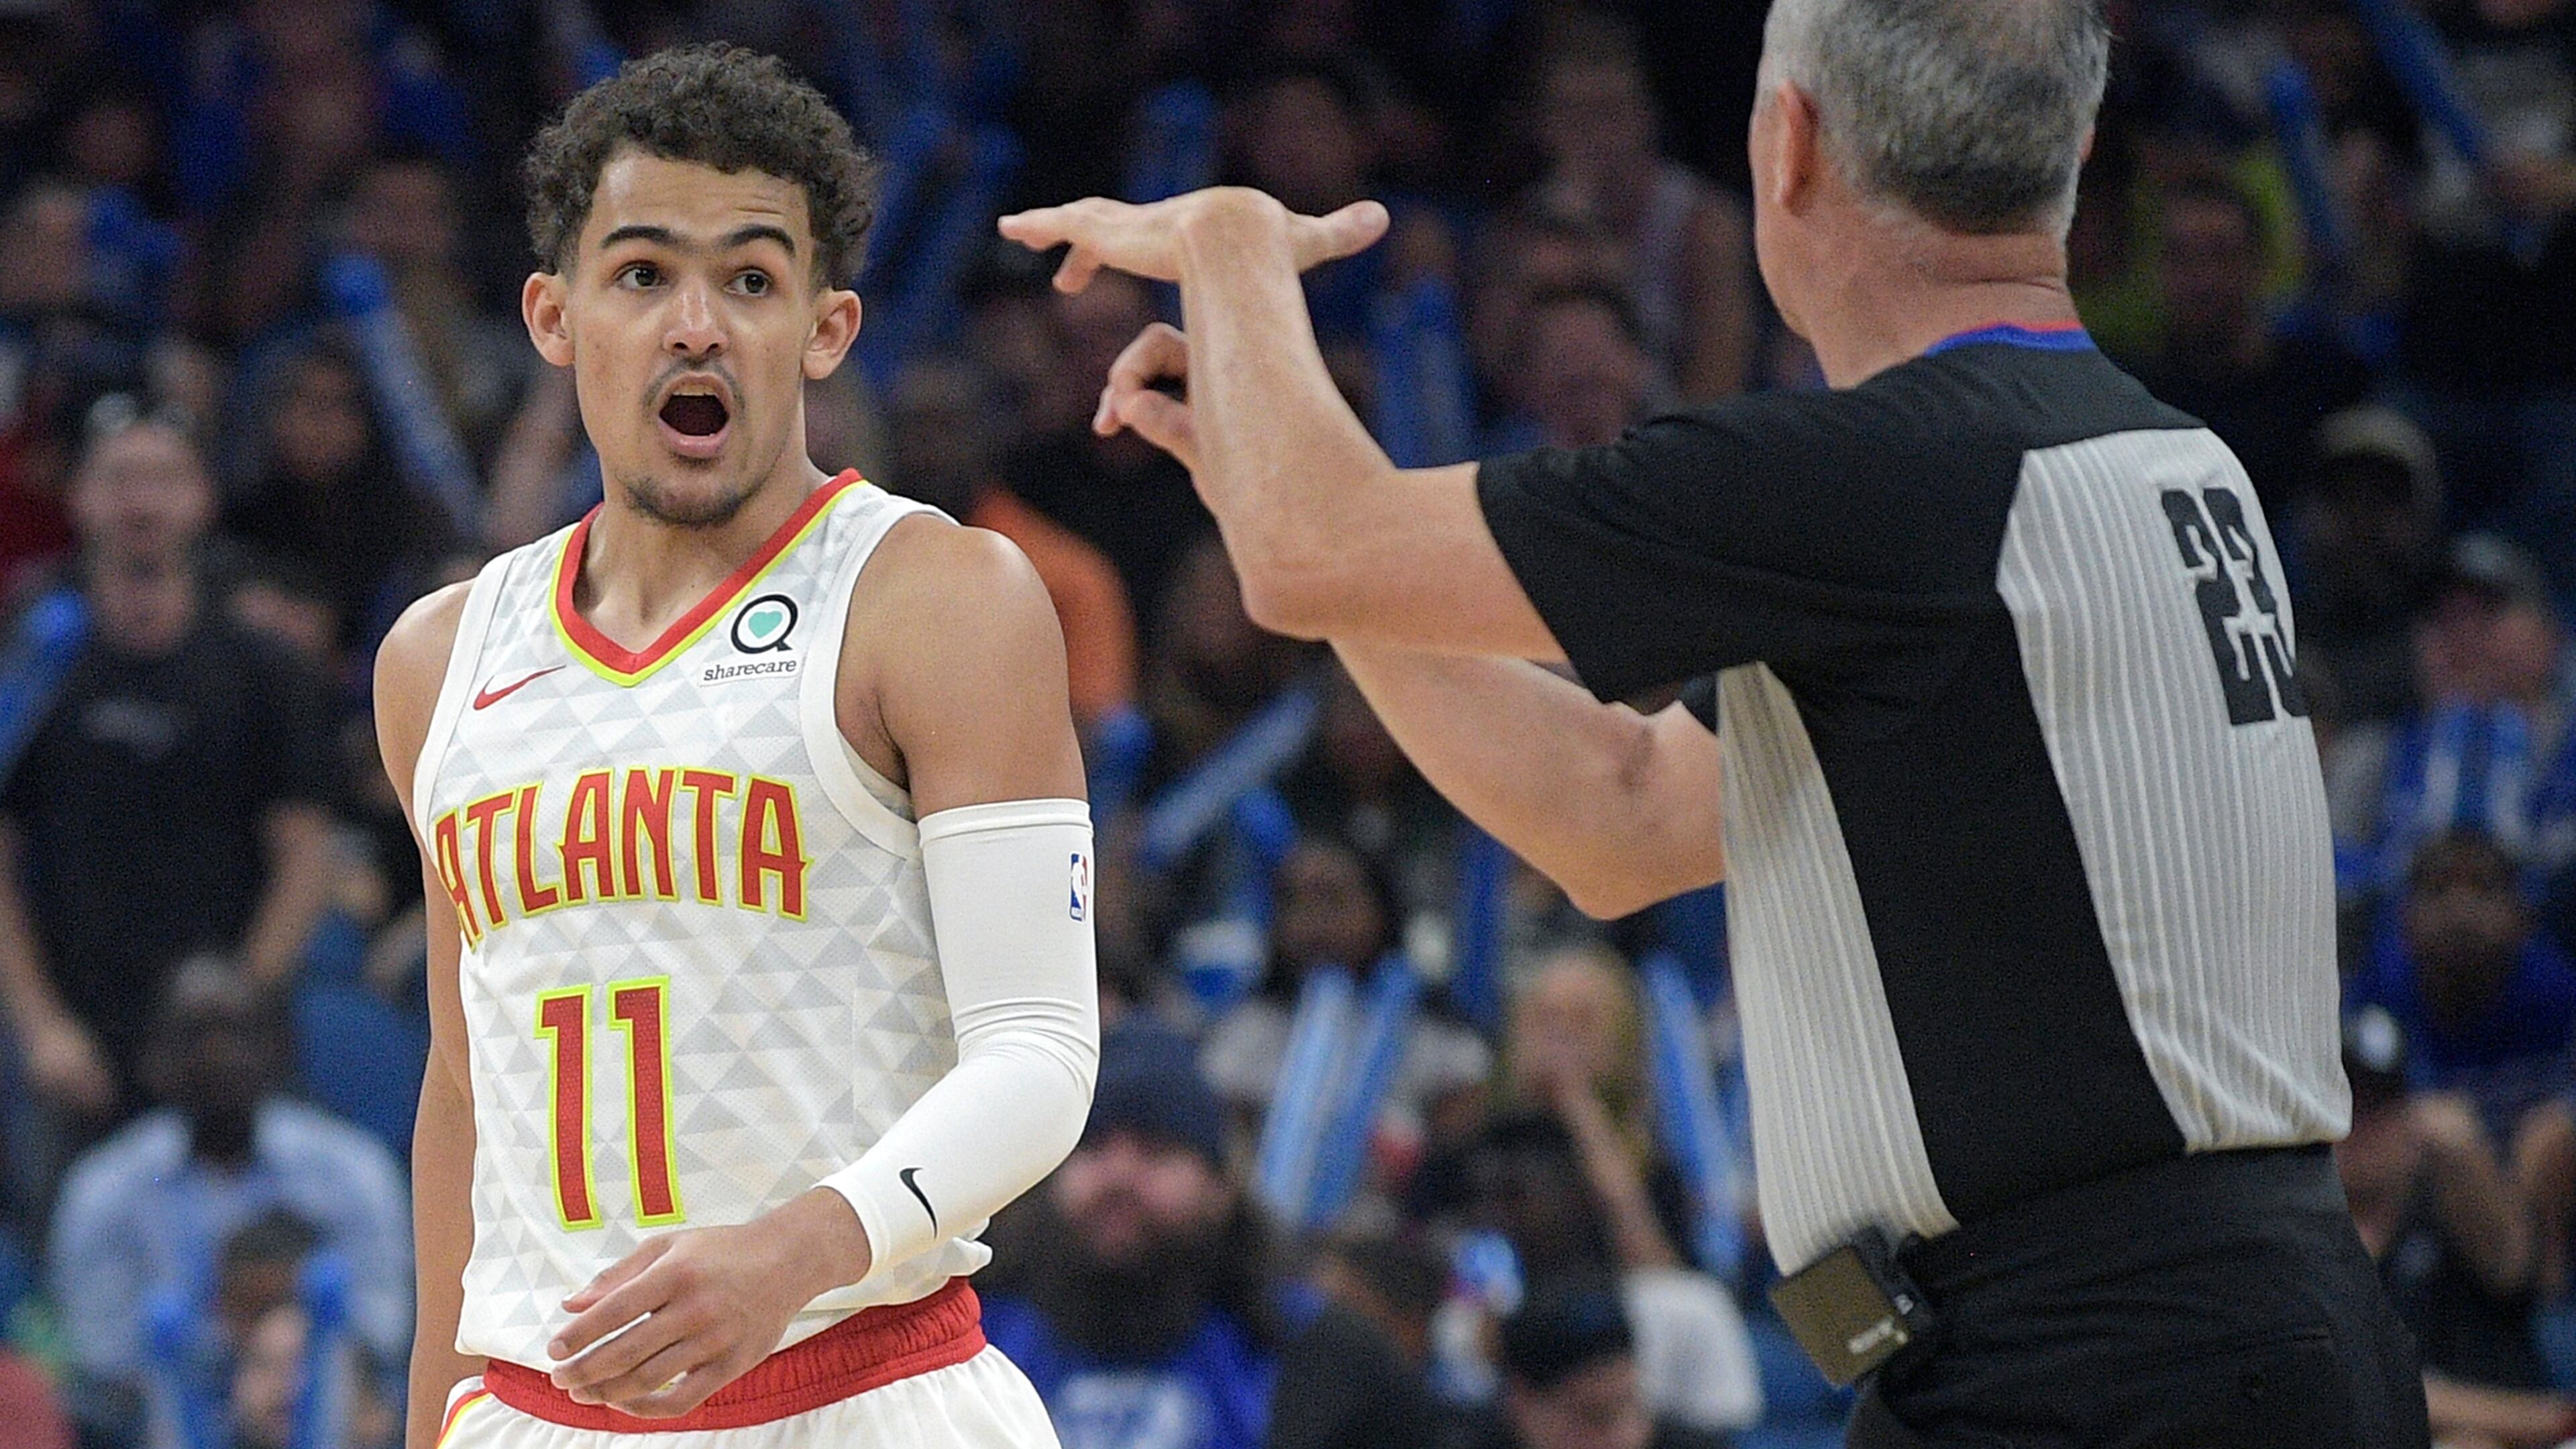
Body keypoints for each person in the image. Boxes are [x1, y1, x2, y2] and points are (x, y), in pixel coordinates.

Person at [998, 0, 2428, 1440]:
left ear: (1787, 143)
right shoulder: (2162, 460)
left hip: (2104, 1360)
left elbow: (1314, 548)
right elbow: (1615, 817)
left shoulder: (1888, 477)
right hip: (2202, 1331)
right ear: (2072, 146)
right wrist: (1273, 493)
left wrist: (1235, 248)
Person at [372, 45, 1095, 1449]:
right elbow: (463, 1093)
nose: (695, 326)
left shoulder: (937, 598)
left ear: (826, 329)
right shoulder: (439, 658)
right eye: (643, 274)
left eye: (751, 281)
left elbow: (1042, 1055)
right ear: (555, 315)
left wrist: (798, 1252)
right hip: (533, 1415)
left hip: (864, 1392)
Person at [0, 412, 339, 1131]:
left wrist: (238, 1011)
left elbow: (306, 852)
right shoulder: (32, 667)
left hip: (230, 1028)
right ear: (80, 497)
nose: (142, 503)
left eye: (164, 480)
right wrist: (40, 1026)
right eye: (120, 480)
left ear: (202, 498)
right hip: (72, 1031)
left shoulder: (266, 669)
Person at [46, 958, 411, 1447]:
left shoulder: (352, 1169)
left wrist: (283, 1364)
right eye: (196, 1037)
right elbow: (104, 1362)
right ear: (154, 1058)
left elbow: (382, 1330)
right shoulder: (104, 1189)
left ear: (280, 1047)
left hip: (322, 1414)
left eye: (237, 1033)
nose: (218, 1055)